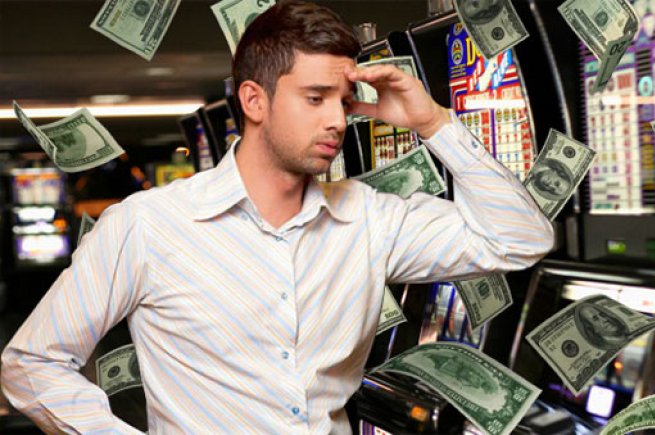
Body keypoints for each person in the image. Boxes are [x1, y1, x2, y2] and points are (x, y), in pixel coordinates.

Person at [0, 1, 553, 433]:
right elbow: (30, 364)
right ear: (254, 100)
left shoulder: (370, 219)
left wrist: (434, 123)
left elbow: (520, 240)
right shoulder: (148, 225)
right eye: (315, 98)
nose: (338, 119)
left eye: (342, 100)